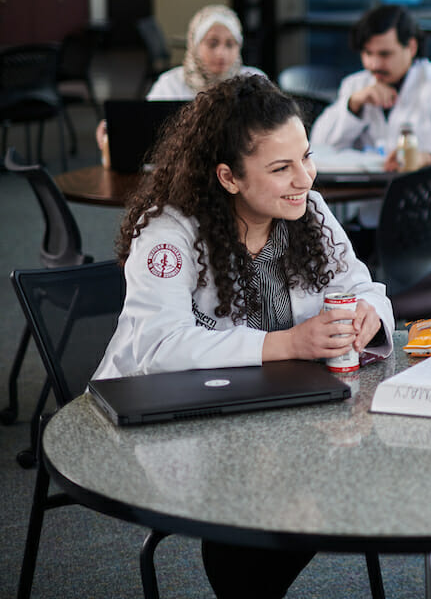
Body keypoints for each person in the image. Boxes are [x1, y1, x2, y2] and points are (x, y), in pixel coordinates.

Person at [93, 74, 394, 598]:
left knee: (329, 491)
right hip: (178, 427)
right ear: (228, 177)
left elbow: (362, 285)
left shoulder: (309, 210)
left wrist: (369, 310)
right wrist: (290, 343)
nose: (305, 178)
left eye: (306, 156)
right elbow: (160, 350)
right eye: (281, 168)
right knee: (256, 523)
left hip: (278, 416)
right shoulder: (169, 233)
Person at [309, 4, 431, 224]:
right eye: (367, 53)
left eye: (385, 54)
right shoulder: (357, 85)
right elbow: (319, 148)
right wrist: (354, 105)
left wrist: (427, 157)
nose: (374, 64)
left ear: (411, 47)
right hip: (380, 212)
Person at [95, 4, 268, 160]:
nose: (221, 53)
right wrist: (114, 130)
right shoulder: (170, 83)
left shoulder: (253, 82)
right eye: (212, 43)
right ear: (194, 44)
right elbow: (145, 126)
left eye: (230, 44)